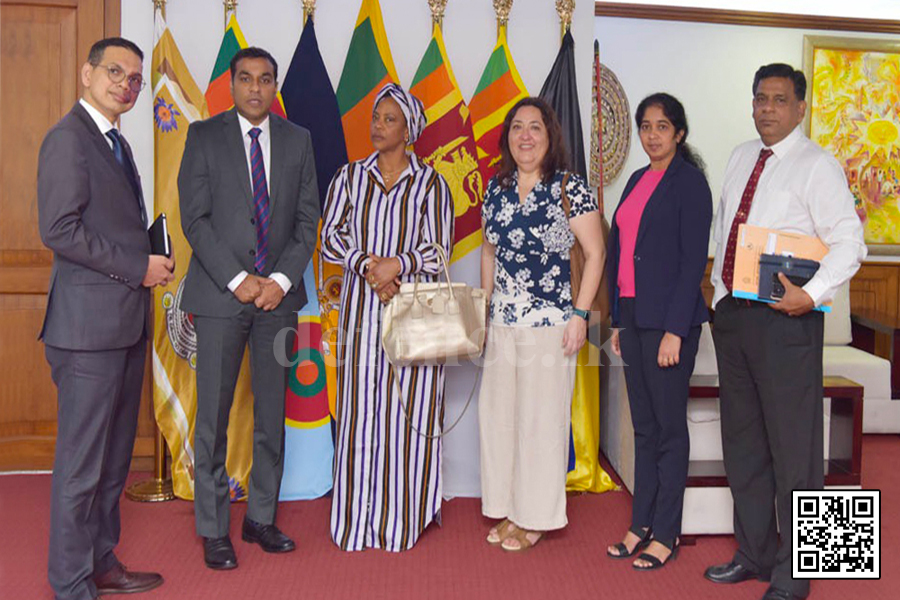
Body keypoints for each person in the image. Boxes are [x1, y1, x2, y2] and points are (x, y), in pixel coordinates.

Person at [704, 64, 866, 600]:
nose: (767, 108)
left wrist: (811, 295)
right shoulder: (739, 156)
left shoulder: (818, 165)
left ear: (799, 108)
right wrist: (715, 290)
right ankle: (753, 554)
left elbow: (850, 243)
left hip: (787, 320)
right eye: (759, 99)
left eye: (778, 100)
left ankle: (800, 574)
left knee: (795, 449)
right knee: (744, 444)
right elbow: (725, 224)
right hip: (733, 316)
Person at [37, 37, 171, 600]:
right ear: (87, 74)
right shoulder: (68, 139)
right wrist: (137, 265)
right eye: (115, 71)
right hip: (87, 333)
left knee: (113, 462)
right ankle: (70, 583)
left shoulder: (115, 142)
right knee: (81, 467)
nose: (126, 83)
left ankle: (100, 561)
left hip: (124, 325)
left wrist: (148, 255)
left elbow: (107, 226)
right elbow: (59, 230)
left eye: (136, 78)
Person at [178, 47, 320, 570]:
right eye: (246, 79)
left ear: (274, 85)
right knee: (212, 417)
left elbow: (308, 220)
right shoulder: (203, 136)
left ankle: (261, 518)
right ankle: (215, 528)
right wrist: (239, 281)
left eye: (264, 79)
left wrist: (279, 280)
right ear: (232, 85)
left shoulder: (298, 141)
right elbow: (195, 219)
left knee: (270, 415)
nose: (255, 89)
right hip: (220, 296)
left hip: (277, 301)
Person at [321, 83, 453, 552]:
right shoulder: (349, 177)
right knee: (360, 415)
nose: (378, 126)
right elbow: (331, 236)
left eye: (389, 119)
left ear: (410, 129)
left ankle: (404, 517)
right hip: (360, 317)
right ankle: (356, 520)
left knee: (408, 414)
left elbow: (439, 250)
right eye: (376, 117)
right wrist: (369, 266)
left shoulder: (432, 184)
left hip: (413, 315)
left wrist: (397, 266)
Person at [478, 97, 605, 552]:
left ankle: (536, 517)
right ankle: (510, 508)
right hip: (503, 323)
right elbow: (490, 252)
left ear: (550, 136)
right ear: (507, 137)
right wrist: (485, 314)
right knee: (501, 419)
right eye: (517, 128)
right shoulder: (496, 188)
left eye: (535, 127)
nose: (525, 136)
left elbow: (595, 253)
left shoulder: (569, 186)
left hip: (552, 323)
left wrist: (579, 314)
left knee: (540, 422)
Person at [604, 93, 712, 569]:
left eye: (662, 126)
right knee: (644, 428)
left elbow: (692, 265)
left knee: (669, 430)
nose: (652, 135)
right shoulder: (634, 179)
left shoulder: (690, 184)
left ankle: (666, 531)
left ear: (680, 133)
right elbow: (622, 255)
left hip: (671, 323)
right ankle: (639, 523)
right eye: (645, 126)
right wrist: (619, 323)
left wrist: (674, 331)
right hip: (633, 315)